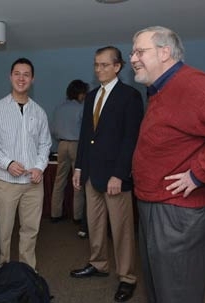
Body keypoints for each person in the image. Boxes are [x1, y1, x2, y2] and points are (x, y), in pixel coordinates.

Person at [131, 26, 205, 303]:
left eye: (140, 51)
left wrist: (198, 175)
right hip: (153, 204)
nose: (133, 58)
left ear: (165, 52)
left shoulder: (193, 84)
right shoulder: (160, 90)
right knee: (157, 287)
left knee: (178, 290)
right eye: (132, 52)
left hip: (176, 211)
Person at [70, 46, 144, 302]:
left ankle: (127, 277)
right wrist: (79, 167)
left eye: (104, 65)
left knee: (122, 230)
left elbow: (130, 139)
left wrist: (120, 174)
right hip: (91, 174)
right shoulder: (91, 97)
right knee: (95, 225)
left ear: (117, 66)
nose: (99, 69)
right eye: (96, 65)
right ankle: (98, 264)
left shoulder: (130, 96)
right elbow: (85, 137)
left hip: (115, 177)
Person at [0, 57, 52, 271]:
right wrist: (8, 163)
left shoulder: (39, 112)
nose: (21, 78)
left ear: (32, 79)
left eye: (26, 74)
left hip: (33, 183)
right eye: (17, 74)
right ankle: (1, 270)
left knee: (30, 230)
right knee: (3, 231)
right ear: (10, 76)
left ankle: (28, 272)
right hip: (6, 182)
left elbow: (45, 144)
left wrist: (40, 167)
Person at [50, 79, 89, 236]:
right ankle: (77, 216)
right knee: (77, 182)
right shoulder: (81, 108)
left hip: (61, 145)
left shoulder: (59, 108)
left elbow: (53, 130)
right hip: (76, 146)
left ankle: (55, 214)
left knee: (59, 181)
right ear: (80, 93)